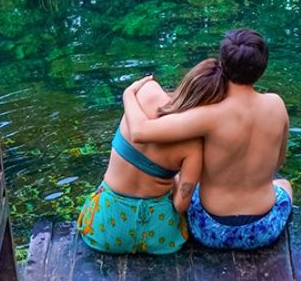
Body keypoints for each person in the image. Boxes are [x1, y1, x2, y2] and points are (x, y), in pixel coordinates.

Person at [121, 28, 291, 251]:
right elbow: (278, 163)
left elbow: (140, 132)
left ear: (224, 64)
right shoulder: (277, 105)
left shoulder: (209, 116)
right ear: (262, 67)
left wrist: (128, 95)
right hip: (263, 230)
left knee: (187, 178)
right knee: (284, 184)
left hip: (211, 230)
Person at [77, 58, 227, 255]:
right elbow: (181, 205)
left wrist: (127, 93)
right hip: (159, 235)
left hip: (108, 230)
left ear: (188, 81)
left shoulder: (147, 90)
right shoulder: (194, 146)